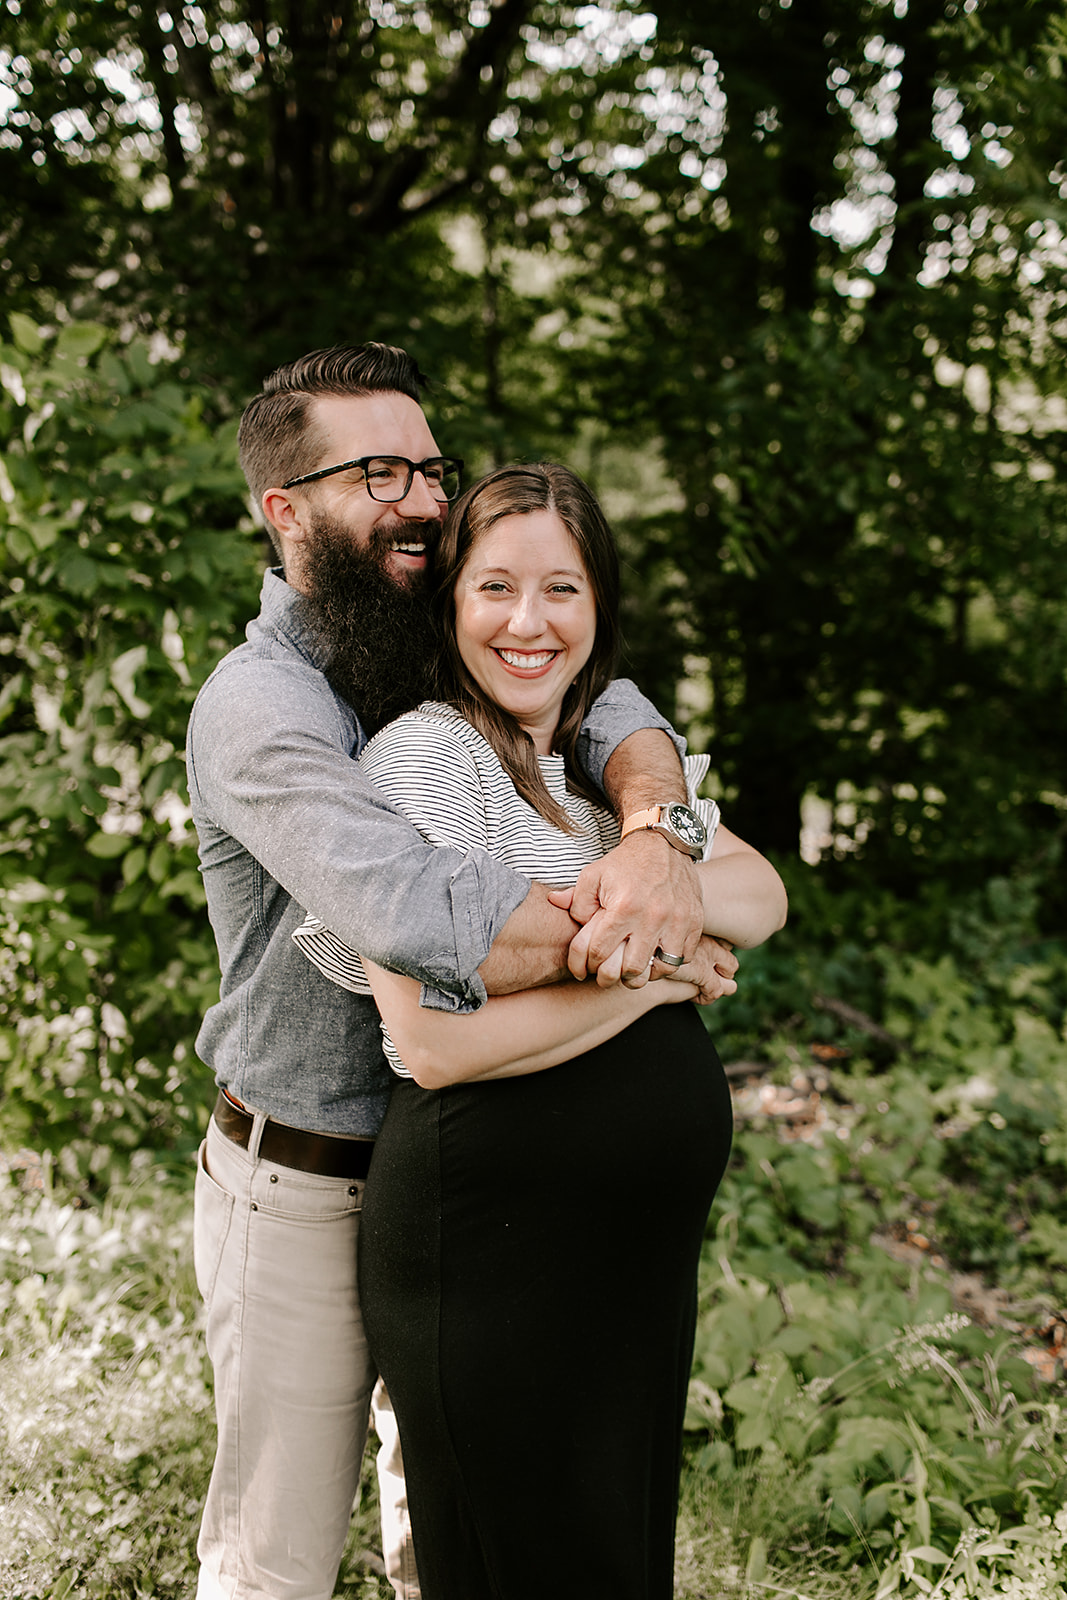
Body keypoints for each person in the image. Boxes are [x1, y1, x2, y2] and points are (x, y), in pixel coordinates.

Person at [185, 344, 745, 1600]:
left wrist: (655, 829)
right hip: (305, 1173)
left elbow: (601, 692)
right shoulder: (261, 708)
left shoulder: (408, 626)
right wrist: (655, 945)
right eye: (378, 472)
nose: (425, 500)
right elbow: (428, 918)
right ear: (285, 510)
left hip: (438, 1177)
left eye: (430, 468)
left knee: (438, 1545)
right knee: (274, 1556)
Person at [292, 462, 788, 1599]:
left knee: (608, 1558)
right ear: (450, 604)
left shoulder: (598, 771)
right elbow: (432, 1044)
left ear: (599, 608)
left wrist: (655, 851)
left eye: (560, 589)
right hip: (491, 1250)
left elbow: (759, 896)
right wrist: (656, 972)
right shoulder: (425, 756)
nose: (529, 621)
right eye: (495, 587)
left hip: (618, 1267)